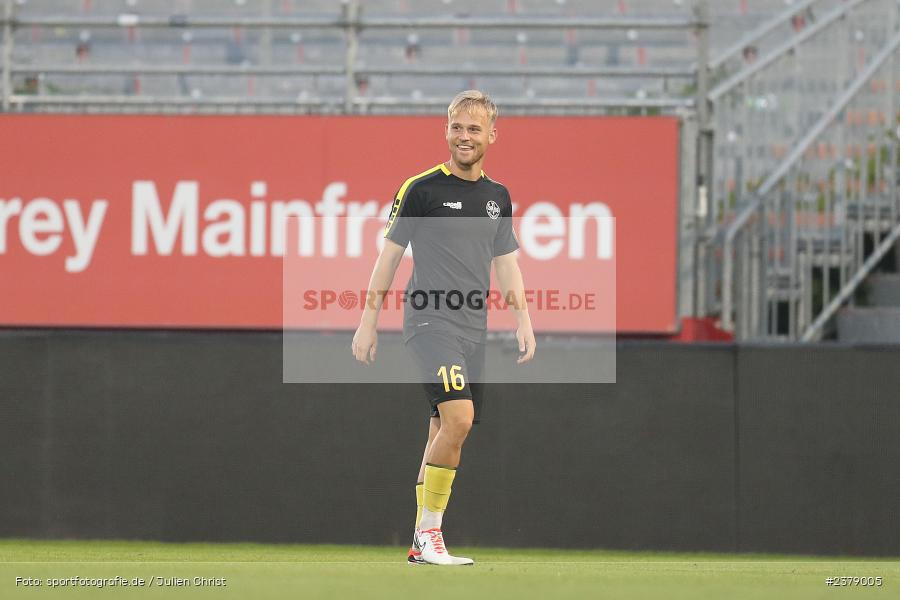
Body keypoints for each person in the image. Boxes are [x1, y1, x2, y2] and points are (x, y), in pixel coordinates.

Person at [351, 90, 536, 566]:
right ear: (446, 131)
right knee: (459, 419)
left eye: (474, 129)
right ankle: (430, 534)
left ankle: (421, 543)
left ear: (492, 135)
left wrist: (523, 318)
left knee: (442, 428)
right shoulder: (421, 189)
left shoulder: (497, 197)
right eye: (457, 127)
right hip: (430, 321)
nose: (464, 137)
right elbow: (389, 258)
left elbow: (507, 263)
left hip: (474, 329)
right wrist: (368, 321)